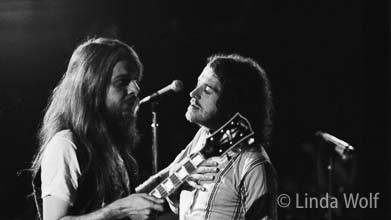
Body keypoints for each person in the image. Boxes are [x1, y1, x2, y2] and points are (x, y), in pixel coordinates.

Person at [30, 38, 164, 220]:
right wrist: (121, 209)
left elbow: (123, 203)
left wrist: (169, 177)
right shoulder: (66, 144)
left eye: (135, 81)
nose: (135, 89)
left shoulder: (110, 146)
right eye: (122, 81)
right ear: (92, 87)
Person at [137, 54, 277, 220]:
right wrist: (178, 175)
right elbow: (166, 186)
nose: (193, 93)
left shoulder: (253, 164)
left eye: (208, 90)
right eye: (198, 84)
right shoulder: (203, 139)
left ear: (231, 102)